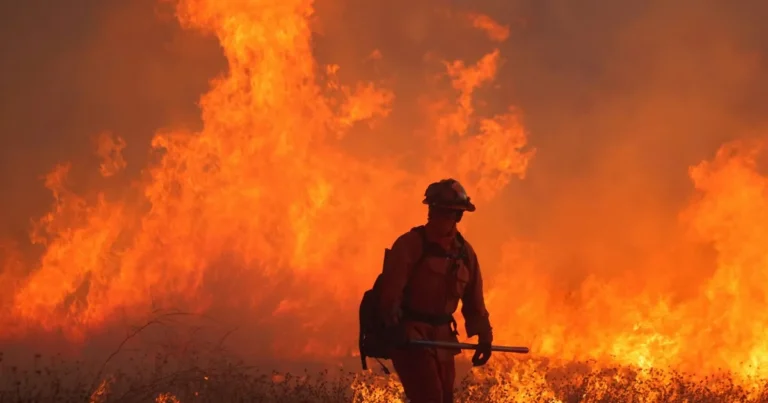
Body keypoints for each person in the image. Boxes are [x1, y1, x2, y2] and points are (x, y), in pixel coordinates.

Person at [378, 178, 493, 403]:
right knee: (429, 398)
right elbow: (390, 293)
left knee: (445, 398)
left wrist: (484, 336)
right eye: (439, 211)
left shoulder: (464, 254)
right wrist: (394, 328)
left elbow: (474, 300)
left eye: (451, 213)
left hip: (443, 339)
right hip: (411, 335)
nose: (443, 217)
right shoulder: (410, 244)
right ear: (430, 210)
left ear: (459, 216)